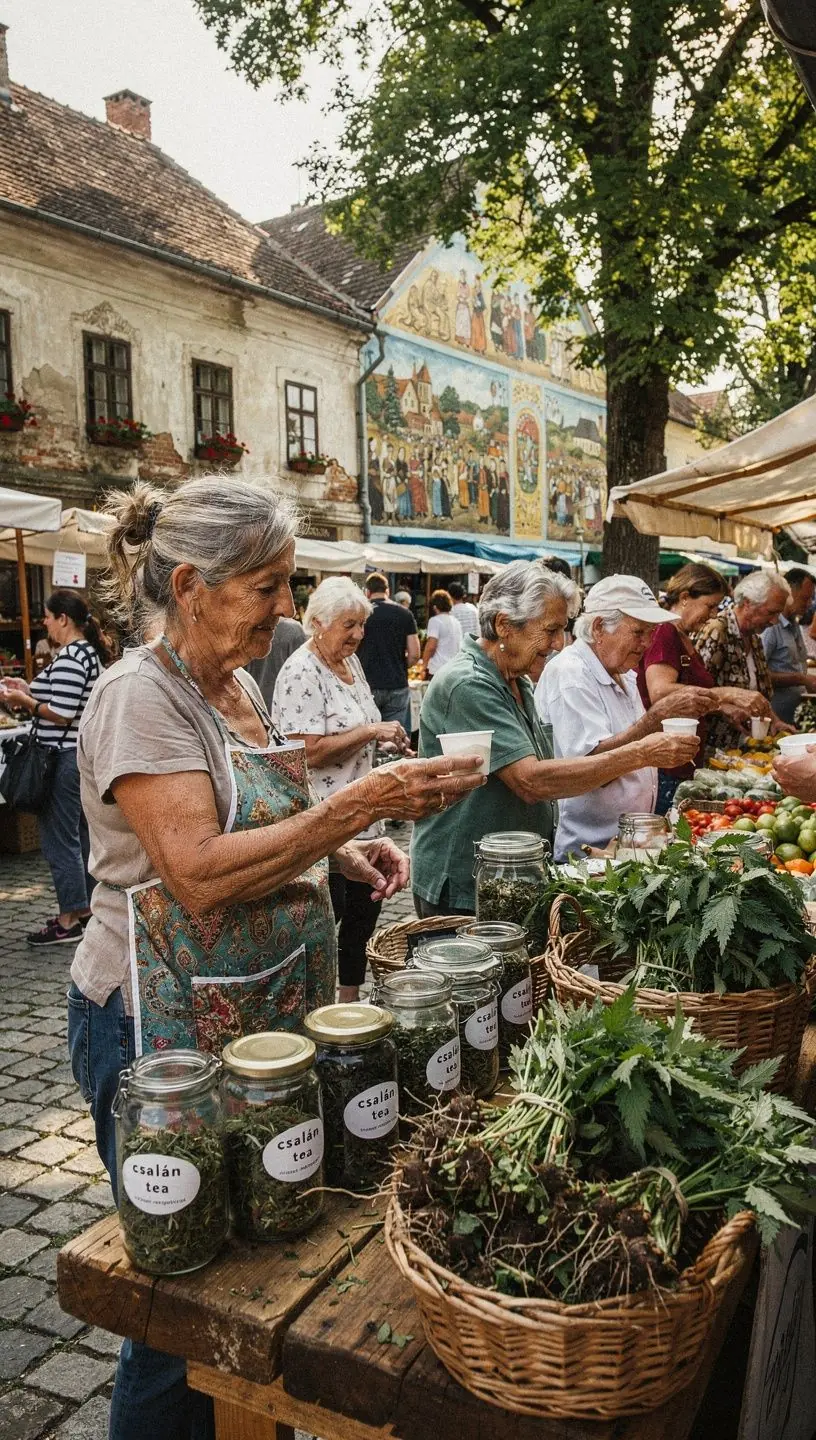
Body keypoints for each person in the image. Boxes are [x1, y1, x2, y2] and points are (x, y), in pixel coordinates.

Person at [67, 478, 483, 1440]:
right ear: (191, 585)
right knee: (182, 1297)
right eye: (269, 587)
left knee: (262, 1263)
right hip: (154, 1027)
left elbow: (259, 814)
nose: (286, 610)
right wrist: (353, 807)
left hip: (254, 1013)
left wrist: (340, 846)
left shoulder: (238, 682)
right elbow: (199, 875)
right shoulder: (139, 697)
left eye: (289, 586)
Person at [411, 563, 698, 914]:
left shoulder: (517, 681)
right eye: (550, 630)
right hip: (465, 880)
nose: (558, 643)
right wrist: (641, 752)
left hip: (508, 874)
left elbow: (550, 768)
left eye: (561, 630)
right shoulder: (469, 683)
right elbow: (531, 781)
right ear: (504, 625)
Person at [271, 577, 410, 1003]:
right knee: (322, 927)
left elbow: (359, 725)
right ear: (317, 623)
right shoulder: (300, 671)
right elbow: (301, 753)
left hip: (365, 820)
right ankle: (312, 1011)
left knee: (361, 921)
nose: (359, 634)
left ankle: (347, 1007)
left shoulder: (352, 665)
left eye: (362, 624)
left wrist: (387, 740)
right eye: (349, 624)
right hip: (323, 823)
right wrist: (370, 728)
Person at [537, 574, 712, 861]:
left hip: (624, 846)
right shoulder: (571, 673)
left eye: (651, 633)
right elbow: (590, 769)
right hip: (585, 852)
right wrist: (654, 721)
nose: (646, 643)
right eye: (638, 632)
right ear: (598, 628)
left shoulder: (623, 674)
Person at [0, 590, 111, 945]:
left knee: (58, 841)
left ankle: (68, 920)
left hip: (61, 760)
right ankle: (86, 911)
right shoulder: (84, 655)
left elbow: (60, 713)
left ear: (63, 618)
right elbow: (60, 696)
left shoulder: (71, 658)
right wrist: (26, 688)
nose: (44, 622)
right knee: (78, 838)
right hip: (76, 758)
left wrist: (25, 702)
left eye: (47, 616)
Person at [637, 563, 772, 811]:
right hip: (666, 762)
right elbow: (660, 691)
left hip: (681, 760)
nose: (712, 615)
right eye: (710, 606)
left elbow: (687, 693)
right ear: (686, 597)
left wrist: (721, 707)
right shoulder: (664, 632)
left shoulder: (682, 636)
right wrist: (727, 693)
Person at [695, 570, 793, 752]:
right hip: (711, 749)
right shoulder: (718, 630)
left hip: (742, 749)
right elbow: (693, 691)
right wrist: (723, 707)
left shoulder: (754, 637)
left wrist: (776, 721)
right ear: (747, 603)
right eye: (771, 612)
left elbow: (757, 694)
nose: (774, 621)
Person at [357, 572, 420, 734]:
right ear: (388, 591)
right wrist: (400, 665)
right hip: (397, 682)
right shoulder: (404, 613)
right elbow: (414, 653)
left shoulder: (361, 613)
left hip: (366, 682)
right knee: (396, 736)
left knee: (368, 736)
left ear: (367, 592)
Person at [761, 568, 816, 725]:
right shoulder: (770, 627)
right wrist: (801, 679)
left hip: (791, 717)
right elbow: (760, 675)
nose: (809, 603)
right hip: (773, 718)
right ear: (790, 593)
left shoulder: (794, 624)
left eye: (811, 598)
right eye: (805, 598)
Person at [245, 614, 306, 708]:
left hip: (254, 705)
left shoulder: (244, 627)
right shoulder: (294, 630)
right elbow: (303, 677)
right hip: (286, 707)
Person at [422, 589, 462, 676]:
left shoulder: (435, 621)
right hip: (453, 668)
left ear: (435, 607)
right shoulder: (456, 622)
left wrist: (424, 665)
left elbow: (431, 646)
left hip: (438, 669)